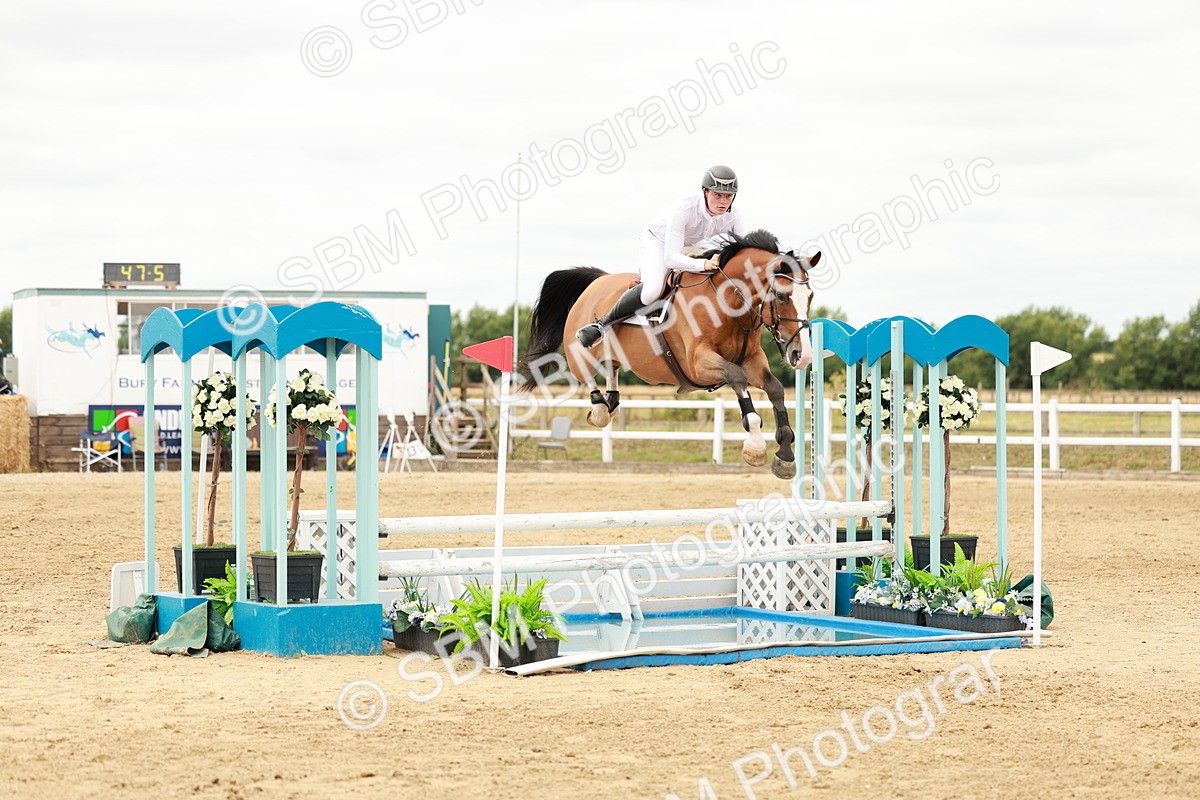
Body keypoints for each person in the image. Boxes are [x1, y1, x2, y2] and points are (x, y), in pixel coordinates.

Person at [576, 165, 748, 349]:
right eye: (717, 195)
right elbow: (671, 259)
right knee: (653, 290)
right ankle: (602, 324)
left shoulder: (734, 217)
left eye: (728, 196)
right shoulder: (684, 208)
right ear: (705, 192)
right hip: (658, 241)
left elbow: (739, 253)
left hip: (693, 244)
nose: (723, 201)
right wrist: (705, 263)